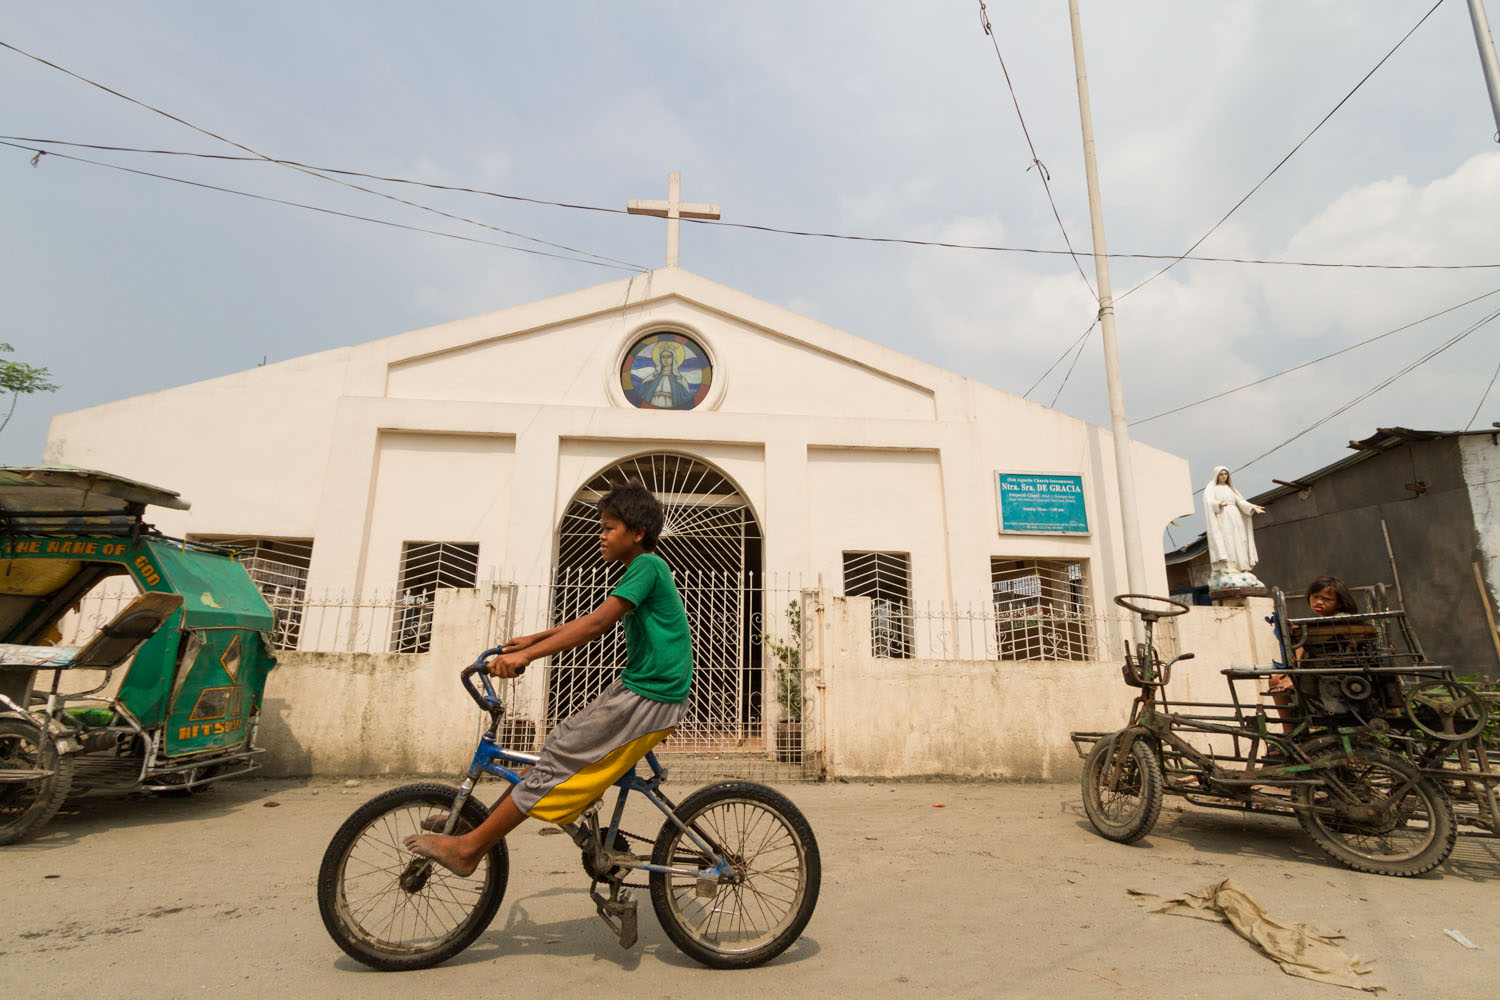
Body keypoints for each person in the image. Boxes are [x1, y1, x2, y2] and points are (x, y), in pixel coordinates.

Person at [403, 483, 693, 876]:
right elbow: (593, 618)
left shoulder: (647, 565)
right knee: (555, 748)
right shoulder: (639, 570)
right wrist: (533, 639)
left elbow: (596, 624)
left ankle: (469, 850)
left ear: (636, 533)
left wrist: (524, 656)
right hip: (640, 689)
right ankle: (482, 828)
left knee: (557, 761)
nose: (601, 535)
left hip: (650, 697)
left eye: (609, 528)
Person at [1267, 576, 1358, 737]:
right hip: (1320, 668)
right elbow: (1306, 647)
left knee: (1278, 682)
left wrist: (1293, 675)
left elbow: (1319, 652)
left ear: (1339, 602)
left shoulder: (1339, 620)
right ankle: (1291, 731)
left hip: (1334, 672)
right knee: (1275, 679)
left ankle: (1290, 733)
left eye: (1326, 599)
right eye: (1315, 597)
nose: (1319, 602)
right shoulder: (1320, 623)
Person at [1202, 466, 1264, 583]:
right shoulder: (1212, 489)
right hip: (1223, 517)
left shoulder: (1230, 489)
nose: (1224, 476)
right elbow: (1209, 502)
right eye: (1221, 474)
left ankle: (1239, 565)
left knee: (1238, 540)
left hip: (1235, 516)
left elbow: (1240, 501)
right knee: (1228, 541)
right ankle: (1229, 566)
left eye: (1226, 474)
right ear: (1217, 476)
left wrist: (1252, 507)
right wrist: (1218, 504)